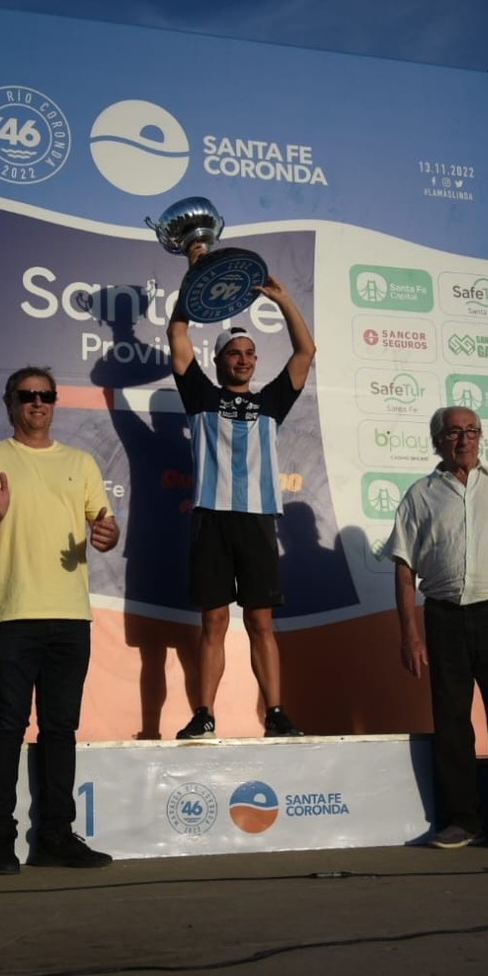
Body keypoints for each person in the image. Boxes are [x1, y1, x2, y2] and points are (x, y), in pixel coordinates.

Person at [0, 366, 120, 875]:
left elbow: (105, 523)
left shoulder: (82, 461)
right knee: (7, 726)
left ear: (55, 402)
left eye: (46, 395)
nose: (37, 403)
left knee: (60, 730)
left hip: (70, 616)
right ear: (10, 403)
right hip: (11, 614)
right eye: (26, 396)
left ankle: (54, 836)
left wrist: (107, 534)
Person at [166, 255, 316, 740]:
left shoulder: (270, 401)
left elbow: (305, 352)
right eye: (235, 353)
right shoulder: (200, 396)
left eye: (250, 353)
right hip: (211, 518)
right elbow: (178, 337)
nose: (244, 359)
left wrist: (284, 299)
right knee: (212, 621)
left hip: (255, 520)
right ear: (219, 360)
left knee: (261, 621)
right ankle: (204, 714)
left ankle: (275, 712)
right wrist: (195, 281)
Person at [387, 406, 488, 848]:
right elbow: (403, 569)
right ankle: (463, 820)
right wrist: (409, 633)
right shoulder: (421, 494)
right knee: (452, 719)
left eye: (472, 431)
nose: (464, 440)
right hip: (444, 616)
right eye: (454, 432)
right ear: (437, 440)